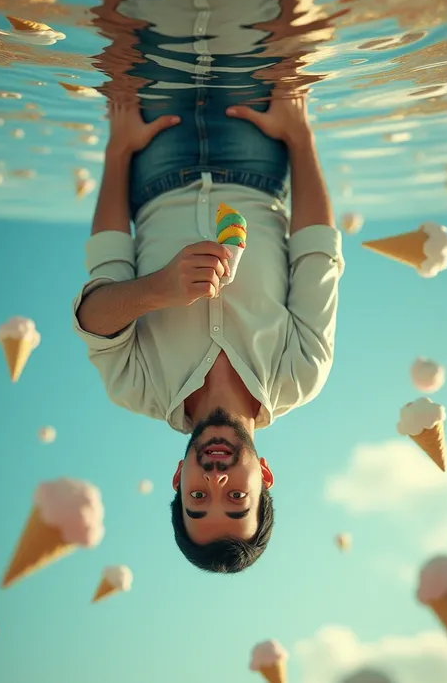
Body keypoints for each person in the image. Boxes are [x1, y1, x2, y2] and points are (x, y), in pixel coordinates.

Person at [72, 91, 344, 574]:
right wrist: (299, 136)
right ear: (264, 477)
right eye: (236, 496)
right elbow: (316, 251)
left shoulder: (135, 388)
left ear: (178, 478)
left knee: (129, 25)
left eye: (198, 496)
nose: (216, 478)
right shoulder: (302, 372)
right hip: (257, 159)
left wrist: (118, 151)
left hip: (154, 165)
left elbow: (95, 306)